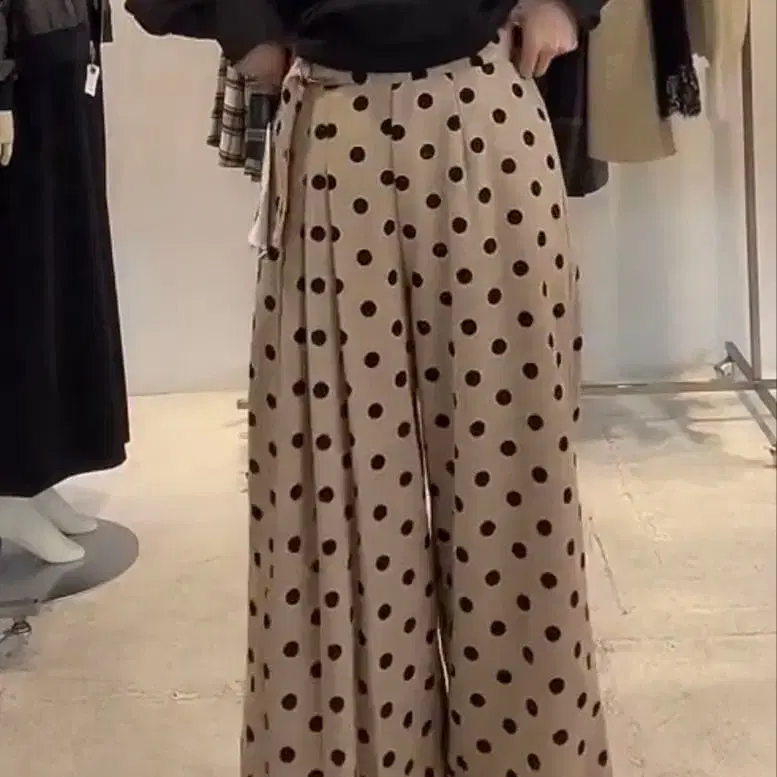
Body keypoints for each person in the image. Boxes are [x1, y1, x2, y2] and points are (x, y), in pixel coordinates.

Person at [125, 1, 612, 775]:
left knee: (515, 494)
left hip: (484, 109)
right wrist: (243, 25)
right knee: (330, 503)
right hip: (334, 119)